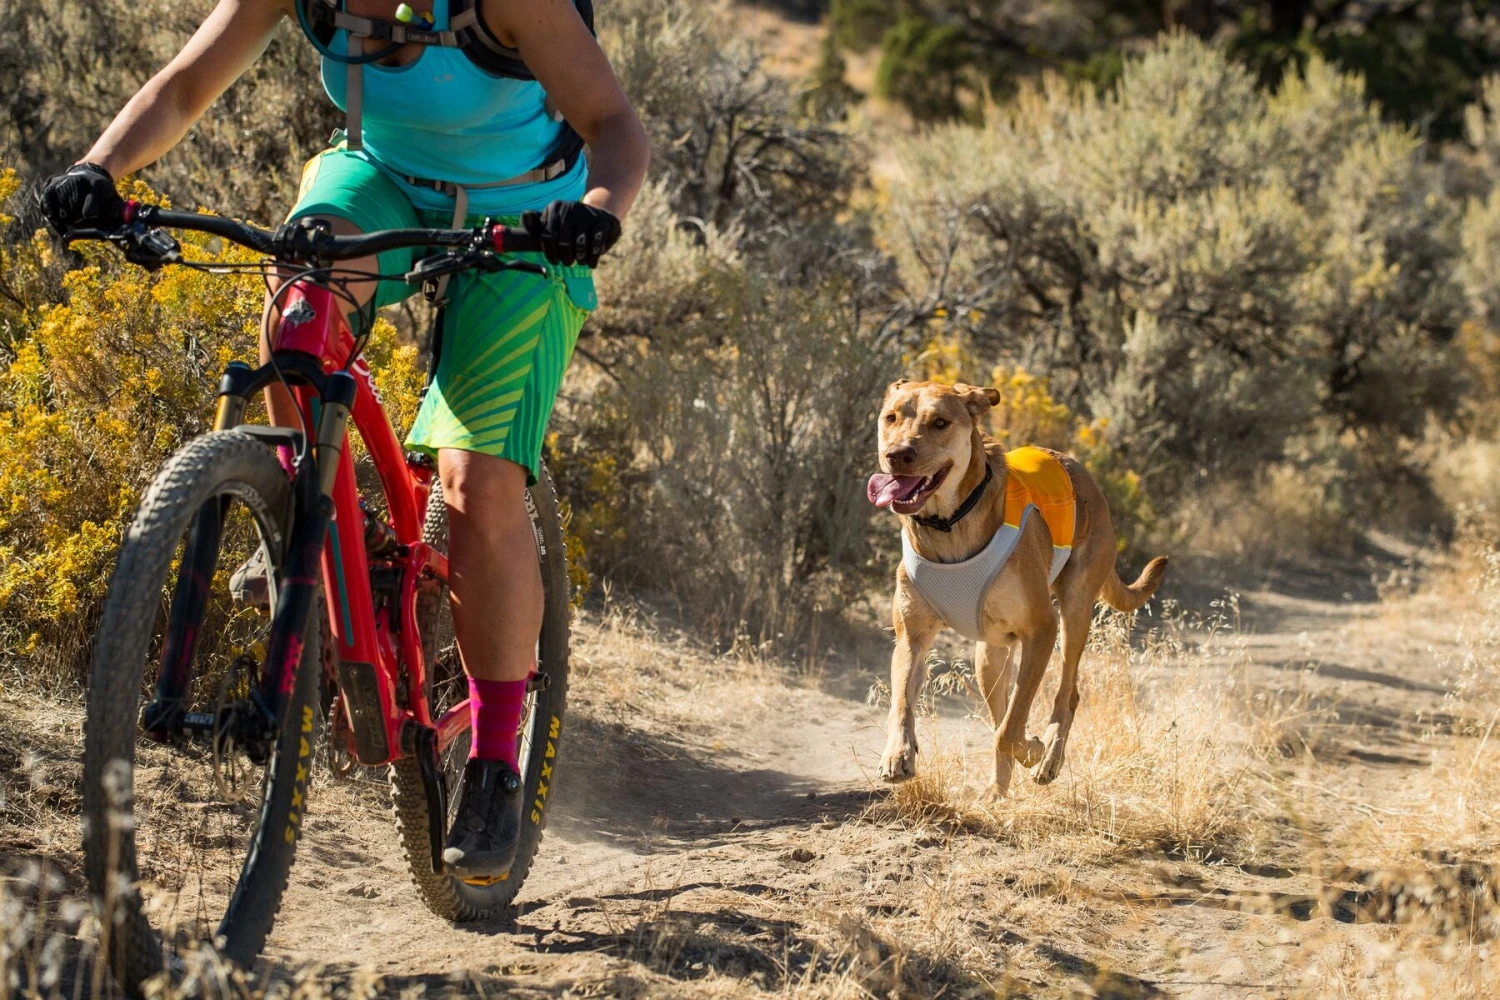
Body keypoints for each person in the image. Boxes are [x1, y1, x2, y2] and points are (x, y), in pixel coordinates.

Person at [38, 0, 649, 878]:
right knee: (298, 309)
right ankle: (315, 534)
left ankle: (493, 762)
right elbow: (184, 86)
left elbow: (614, 125)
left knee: (476, 484)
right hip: (379, 179)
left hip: (526, 213)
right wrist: (98, 167)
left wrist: (595, 210)